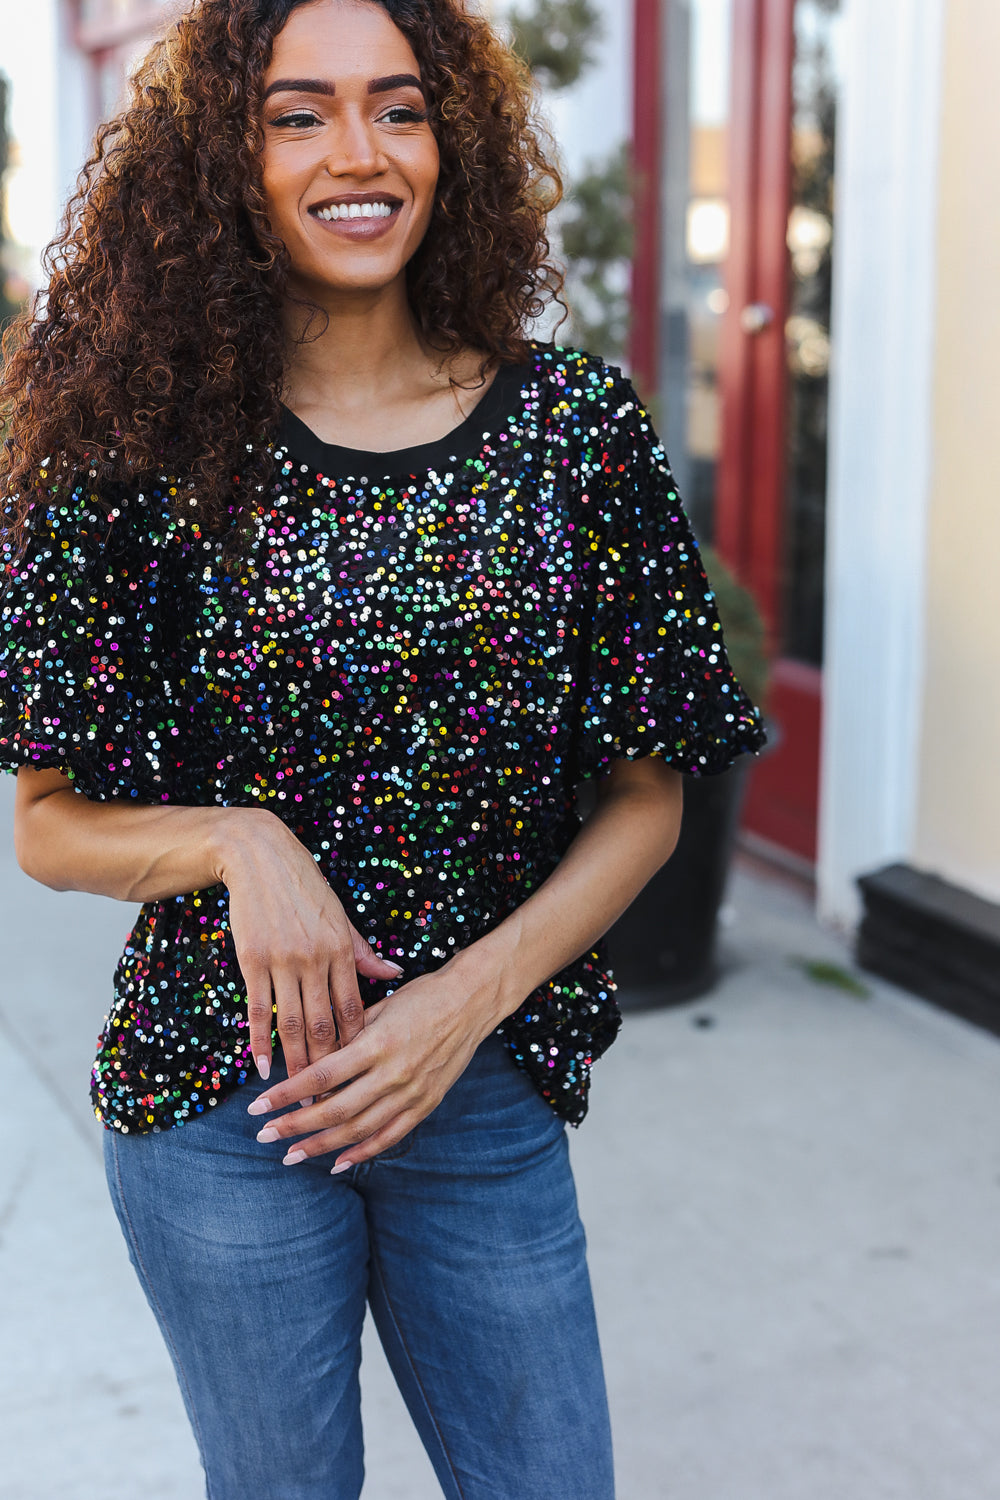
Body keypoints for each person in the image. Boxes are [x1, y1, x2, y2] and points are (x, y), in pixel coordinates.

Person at [0, 1, 765, 1496]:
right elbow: (47, 819)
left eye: (397, 108)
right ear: (225, 155)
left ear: (450, 138)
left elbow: (648, 799)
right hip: (227, 1098)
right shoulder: (132, 453)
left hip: (475, 1092)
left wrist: (465, 1000)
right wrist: (237, 840)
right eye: (298, 114)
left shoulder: (574, 432)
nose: (359, 153)